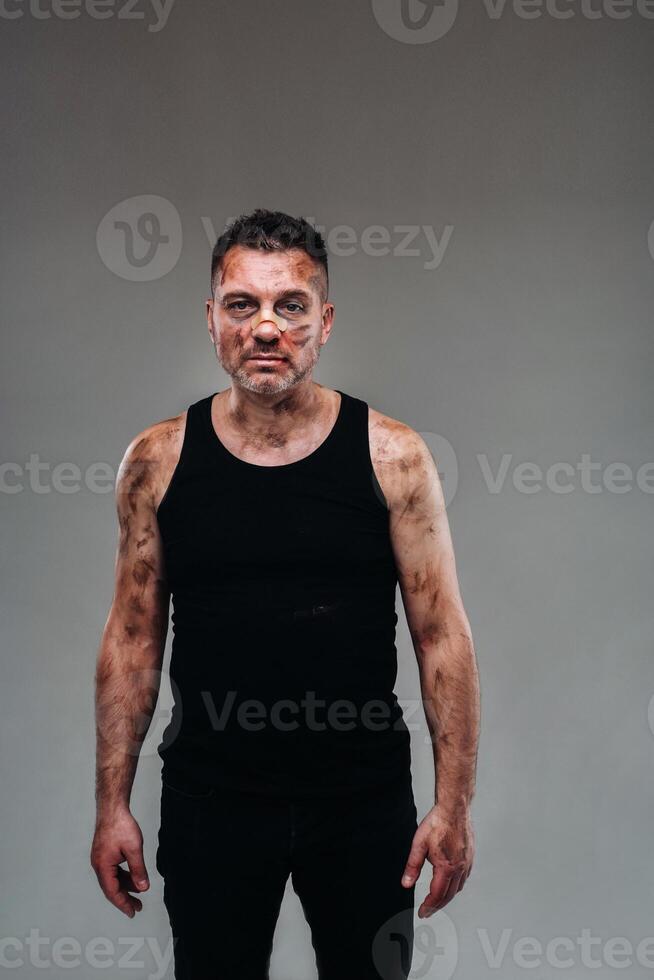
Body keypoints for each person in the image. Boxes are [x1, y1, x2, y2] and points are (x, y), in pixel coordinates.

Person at [90, 208, 481, 979]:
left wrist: (453, 805)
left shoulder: (393, 456)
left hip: (362, 804)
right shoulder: (157, 461)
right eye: (243, 305)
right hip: (212, 801)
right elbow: (132, 638)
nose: (266, 327)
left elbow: (443, 635)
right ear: (212, 320)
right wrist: (112, 805)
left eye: (290, 306)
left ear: (324, 322)